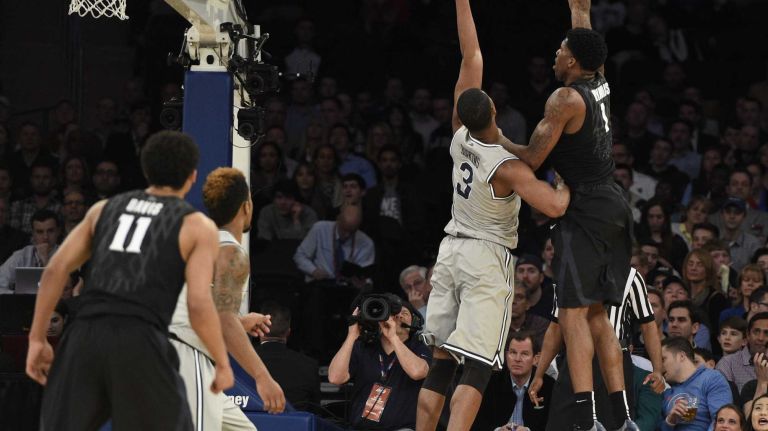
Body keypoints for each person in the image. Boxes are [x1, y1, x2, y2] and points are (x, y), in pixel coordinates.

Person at [415, 1, 571, 431]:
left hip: (450, 253)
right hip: (485, 258)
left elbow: (472, 56)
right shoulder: (507, 168)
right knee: (480, 363)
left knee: (442, 359)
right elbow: (556, 205)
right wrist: (569, 176)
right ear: (496, 114)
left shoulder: (458, 134)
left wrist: (462, 3)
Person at [25, 131, 234, 430]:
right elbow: (199, 303)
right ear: (193, 176)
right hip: (140, 340)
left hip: (84, 334)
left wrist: (36, 339)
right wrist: (222, 362)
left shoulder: (102, 209)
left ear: (146, 170)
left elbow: (54, 272)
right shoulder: (197, 225)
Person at [497, 2, 635, 429]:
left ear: (571, 61)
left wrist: (496, 137)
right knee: (596, 315)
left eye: (560, 50)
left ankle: (585, 415)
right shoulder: (599, 79)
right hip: (614, 204)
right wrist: (580, 9)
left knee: (573, 313)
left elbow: (533, 157)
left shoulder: (563, 99)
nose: (555, 54)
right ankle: (622, 417)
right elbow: (586, 41)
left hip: (586, 211)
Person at [168, 167, 286, 430]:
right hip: (184, 355)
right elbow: (221, 319)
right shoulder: (231, 251)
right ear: (246, 207)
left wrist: (240, 321)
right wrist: (263, 377)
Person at [530, 268, 664, 431]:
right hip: (575, 359)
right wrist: (539, 374)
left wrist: (657, 369)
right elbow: (555, 327)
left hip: (615, 363)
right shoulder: (568, 273)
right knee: (561, 425)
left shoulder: (630, 276)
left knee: (613, 424)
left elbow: (648, 325)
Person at [328, 297, 430, 431]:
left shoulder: (419, 347)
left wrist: (393, 337)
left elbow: (418, 372)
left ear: (415, 322)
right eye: (393, 313)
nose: (398, 316)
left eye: (404, 313)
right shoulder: (363, 347)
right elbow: (335, 378)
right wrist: (352, 336)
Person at [473, 331, 555, 431]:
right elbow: (476, 423)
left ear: (535, 359)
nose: (517, 359)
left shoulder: (549, 386)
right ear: (506, 356)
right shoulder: (491, 383)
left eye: (524, 354)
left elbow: (556, 425)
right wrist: (498, 430)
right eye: (513, 352)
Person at [256, 301, 320, 410]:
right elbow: (315, 410)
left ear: (258, 330)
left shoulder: (241, 362)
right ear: (288, 332)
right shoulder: (309, 365)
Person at [660, 337, 732, 430]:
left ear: (681, 356)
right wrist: (670, 421)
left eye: (663, 359)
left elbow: (722, 421)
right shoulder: (667, 393)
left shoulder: (711, 378)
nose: (660, 367)